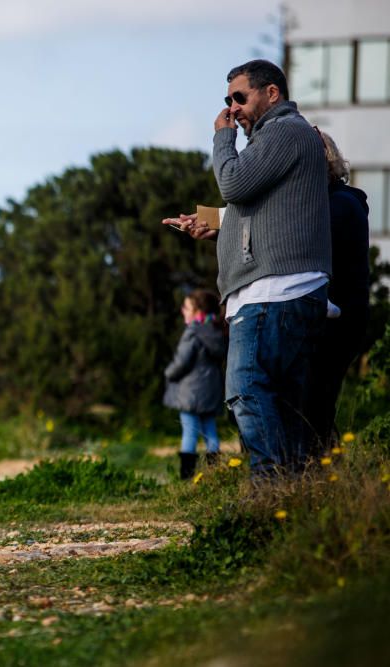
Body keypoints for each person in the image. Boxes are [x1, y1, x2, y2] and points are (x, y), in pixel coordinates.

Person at [162, 60, 331, 477]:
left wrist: (222, 139)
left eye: (240, 97)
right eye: (227, 101)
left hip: (272, 293)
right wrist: (212, 222)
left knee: (247, 392)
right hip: (280, 291)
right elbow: (263, 211)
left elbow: (234, 183)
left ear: (271, 93)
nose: (232, 109)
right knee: (280, 400)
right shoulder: (280, 138)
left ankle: (271, 487)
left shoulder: (283, 131)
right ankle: (294, 492)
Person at [303, 132, 370, 454]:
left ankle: (318, 472)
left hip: (338, 320)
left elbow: (298, 241)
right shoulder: (338, 202)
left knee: (315, 401)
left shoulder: (338, 205)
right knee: (315, 403)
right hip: (337, 317)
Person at [163, 289, 227, 480]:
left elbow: (182, 361)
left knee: (189, 432)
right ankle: (214, 473)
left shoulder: (193, 332)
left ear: (198, 312)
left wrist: (168, 373)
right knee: (210, 432)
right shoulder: (217, 331)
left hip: (190, 393)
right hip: (211, 391)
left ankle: (186, 476)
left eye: (186, 307)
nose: (183, 310)